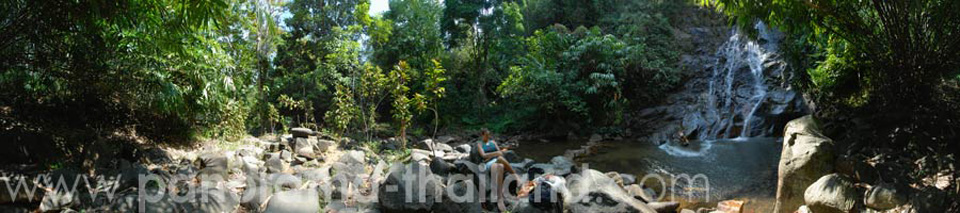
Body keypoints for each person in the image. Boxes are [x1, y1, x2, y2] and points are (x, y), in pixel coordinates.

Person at [475, 128, 519, 211]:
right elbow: (484, 156)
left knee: (500, 166)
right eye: (486, 135)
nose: (488, 137)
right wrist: (495, 154)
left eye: (489, 135)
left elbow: (500, 152)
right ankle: (516, 176)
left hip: (495, 162)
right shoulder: (479, 144)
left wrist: (493, 155)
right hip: (488, 164)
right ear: (482, 135)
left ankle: (499, 198)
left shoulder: (493, 142)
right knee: (500, 158)